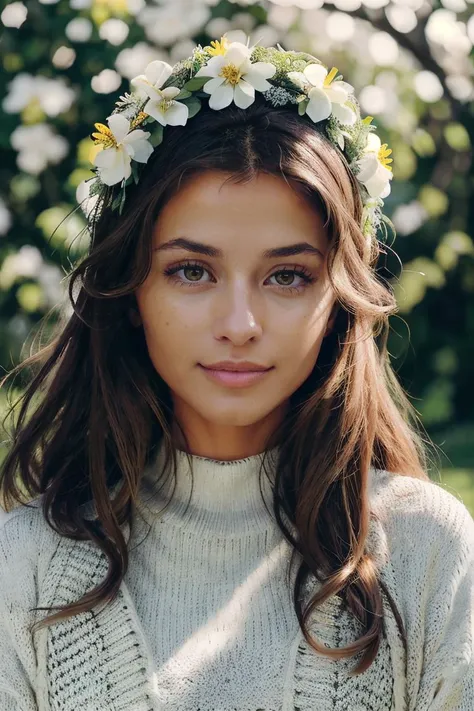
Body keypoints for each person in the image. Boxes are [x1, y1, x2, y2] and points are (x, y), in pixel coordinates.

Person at [0, 35, 473, 711]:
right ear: (132, 290)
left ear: (336, 297)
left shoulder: (426, 554)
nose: (241, 322)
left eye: (288, 275)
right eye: (192, 270)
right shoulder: (23, 566)